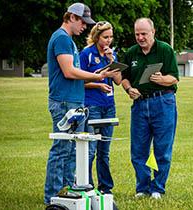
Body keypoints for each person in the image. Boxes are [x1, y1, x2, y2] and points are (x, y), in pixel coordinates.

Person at [44, 3, 117, 205]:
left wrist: (98, 77)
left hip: (75, 101)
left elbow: (77, 77)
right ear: (72, 18)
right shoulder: (61, 38)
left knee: (72, 151)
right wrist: (97, 75)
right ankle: (53, 197)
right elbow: (69, 72)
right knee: (61, 149)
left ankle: (68, 194)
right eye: (83, 22)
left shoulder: (69, 41)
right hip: (64, 101)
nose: (85, 27)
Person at [121, 18, 179, 199]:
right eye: (137, 34)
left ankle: (158, 188)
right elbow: (124, 78)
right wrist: (129, 89)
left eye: (144, 33)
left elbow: (174, 78)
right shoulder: (131, 53)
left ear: (153, 32)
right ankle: (142, 188)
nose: (140, 37)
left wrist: (162, 79)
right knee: (138, 150)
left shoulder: (165, 50)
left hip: (163, 102)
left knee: (162, 149)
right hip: (139, 105)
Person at [79, 21, 122, 194]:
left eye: (111, 37)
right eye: (105, 37)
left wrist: (112, 60)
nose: (108, 41)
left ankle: (106, 188)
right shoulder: (86, 54)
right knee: (90, 150)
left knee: (104, 151)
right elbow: (79, 81)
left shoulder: (112, 54)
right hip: (92, 106)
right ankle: (87, 186)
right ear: (97, 37)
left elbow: (118, 81)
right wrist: (98, 84)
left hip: (109, 106)